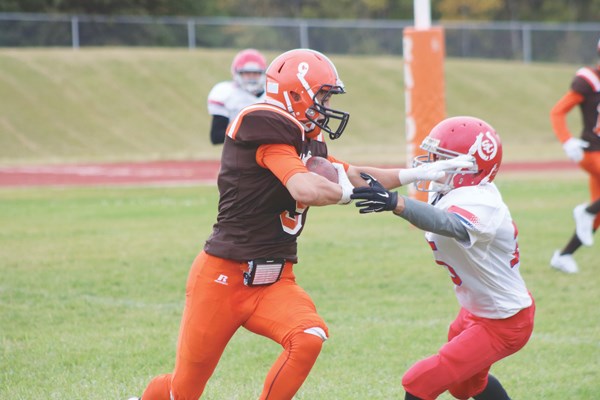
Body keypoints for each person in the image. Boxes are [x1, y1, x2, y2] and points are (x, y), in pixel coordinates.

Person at [127, 49, 468, 400]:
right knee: (183, 391)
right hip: (223, 277)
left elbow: (351, 172)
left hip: (275, 279)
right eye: (321, 95)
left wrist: (417, 174)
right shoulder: (266, 124)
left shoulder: (304, 138)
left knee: (309, 336)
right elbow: (304, 186)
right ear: (294, 92)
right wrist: (349, 195)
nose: (325, 104)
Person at [351, 116, 535, 400]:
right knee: (466, 386)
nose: (433, 165)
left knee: (420, 380)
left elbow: (451, 224)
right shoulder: (456, 190)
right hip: (476, 310)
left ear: (469, 166)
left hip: (504, 320)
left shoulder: (482, 201)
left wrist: (396, 203)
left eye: (443, 159)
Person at [549, 37, 600, 273]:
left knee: (597, 216)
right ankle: (586, 211)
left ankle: (563, 255)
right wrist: (567, 141)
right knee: (591, 212)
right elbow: (558, 112)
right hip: (592, 151)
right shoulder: (588, 80)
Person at [207, 48, 267, 144]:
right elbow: (216, 136)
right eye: (247, 73)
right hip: (238, 151)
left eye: (255, 73)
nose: (251, 77)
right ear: (237, 73)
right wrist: (248, 134)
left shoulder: (271, 94)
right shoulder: (226, 93)